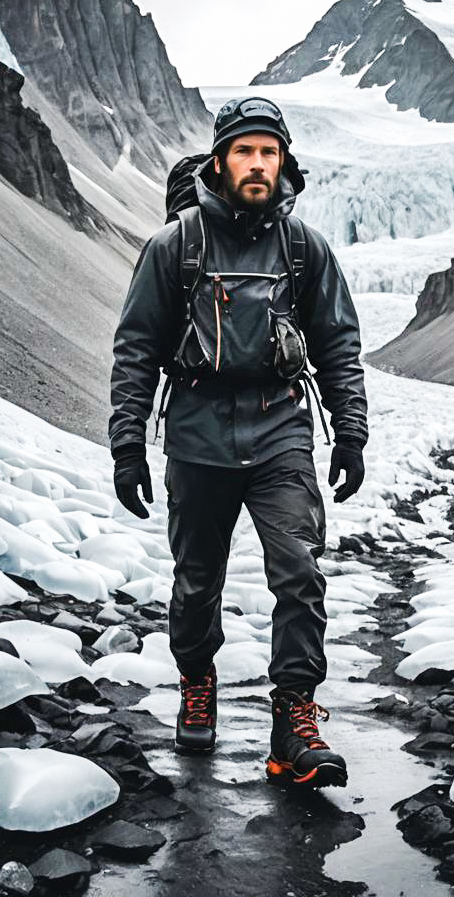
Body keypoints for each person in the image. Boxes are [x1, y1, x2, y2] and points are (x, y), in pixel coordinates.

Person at [108, 96, 368, 789]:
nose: (258, 164)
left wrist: (351, 432)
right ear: (220, 160)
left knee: (300, 571)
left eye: (269, 151)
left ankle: (294, 721)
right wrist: (127, 444)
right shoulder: (176, 245)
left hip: (281, 428)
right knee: (197, 582)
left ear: (284, 161)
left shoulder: (304, 248)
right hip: (197, 435)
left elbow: (337, 342)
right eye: (245, 151)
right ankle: (198, 681)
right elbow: (136, 349)